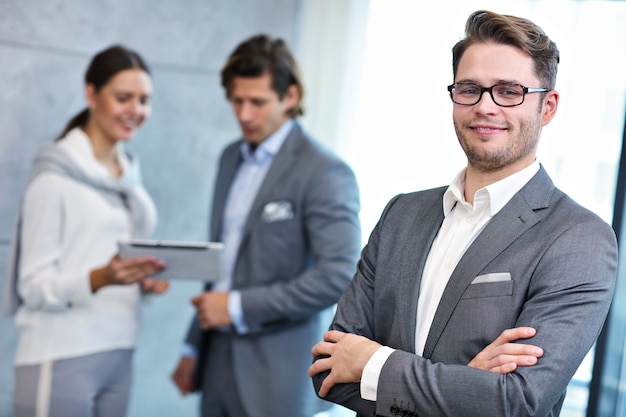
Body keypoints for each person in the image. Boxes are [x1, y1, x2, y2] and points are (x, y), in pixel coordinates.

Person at [308, 9, 618, 417]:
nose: (485, 107)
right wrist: (464, 385)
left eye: (509, 91)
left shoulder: (579, 238)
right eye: (470, 89)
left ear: (547, 107)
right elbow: (328, 371)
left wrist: (373, 363)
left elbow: (516, 402)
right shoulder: (402, 213)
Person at [171, 34, 361, 417]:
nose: (244, 114)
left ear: (289, 97)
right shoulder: (230, 159)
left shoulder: (323, 171)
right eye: (237, 101)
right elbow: (222, 266)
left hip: (278, 371)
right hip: (216, 357)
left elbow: (338, 275)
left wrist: (239, 307)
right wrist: (193, 346)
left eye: (256, 102)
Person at [4, 45, 169, 417]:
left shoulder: (130, 181)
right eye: (123, 98)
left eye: (144, 100)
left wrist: (145, 278)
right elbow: (32, 285)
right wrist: (100, 277)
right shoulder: (54, 179)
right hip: (60, 353)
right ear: (91, 94)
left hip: (119, 350)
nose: (136, 111)